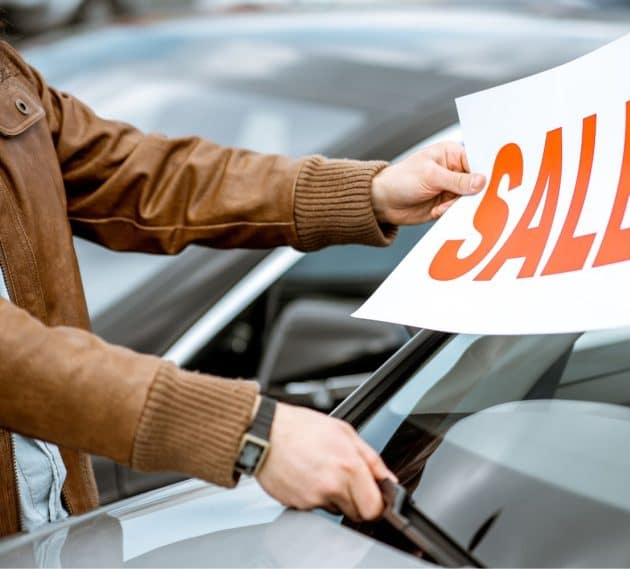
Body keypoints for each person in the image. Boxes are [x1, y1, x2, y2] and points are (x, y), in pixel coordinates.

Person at [0, 40, 484, 536]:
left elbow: (140, 175)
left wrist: (368, 192)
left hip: (52, 530)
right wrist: (248, 431)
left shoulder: (4, 69)